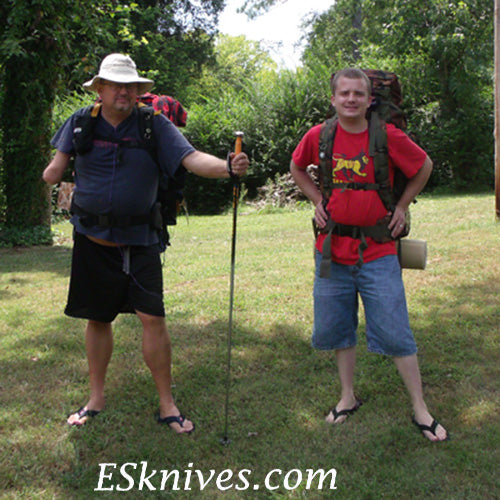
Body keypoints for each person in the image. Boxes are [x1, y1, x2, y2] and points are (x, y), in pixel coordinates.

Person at [43, 53, 249, 434]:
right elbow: (55, 169)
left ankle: (167, 404)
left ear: (139, 91)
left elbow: (190, 158)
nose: (124, 91)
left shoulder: (154, 124)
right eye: (115, 85)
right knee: (97, 318)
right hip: (92, 240)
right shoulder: (78, 122)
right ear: (100, 89)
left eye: (131, 86)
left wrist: (226, 167)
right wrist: (53, 171)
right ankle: (95, 398)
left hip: (141, 240)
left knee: (153, 318)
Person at [290, 68, 448, 442]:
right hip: (331, 252)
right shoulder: (320, 136)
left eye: (358, 94)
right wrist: (316, 200)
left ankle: (420, 408)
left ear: (369, 99)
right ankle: (347, 397)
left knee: (395, 330)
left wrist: (403, 206)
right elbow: (297, 166)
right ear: (333, 99)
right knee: (338, 327)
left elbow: (423, 166)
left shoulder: (387, 136)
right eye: (343, 93)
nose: (350, 100)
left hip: (378, 252)